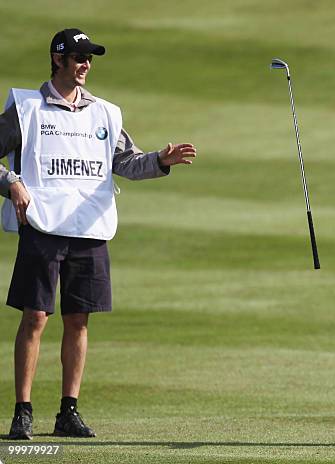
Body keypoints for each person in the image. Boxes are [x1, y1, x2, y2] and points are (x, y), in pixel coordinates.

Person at [0, 28, 197, 439]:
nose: (85, 64)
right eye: (78, 57)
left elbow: (125, 161)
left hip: (89, 227)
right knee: (35, 317)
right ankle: (22, 411)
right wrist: (11, 181)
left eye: (89, 58)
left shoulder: (104, 113)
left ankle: (67, 412)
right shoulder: (27, 109)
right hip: (42, 225)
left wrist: (160, 160)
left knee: (78, 319)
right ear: (58, 60)